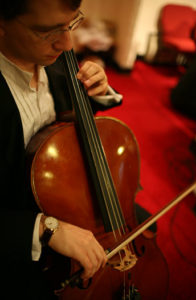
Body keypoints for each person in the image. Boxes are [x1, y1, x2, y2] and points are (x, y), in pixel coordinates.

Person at [0, 0, 122, 299]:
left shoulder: (56, 62)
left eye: (71, 23)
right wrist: (44, 228)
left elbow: (62, 129)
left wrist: (98, 92)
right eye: (47, 31)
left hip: (65, 199)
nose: (67, 43)